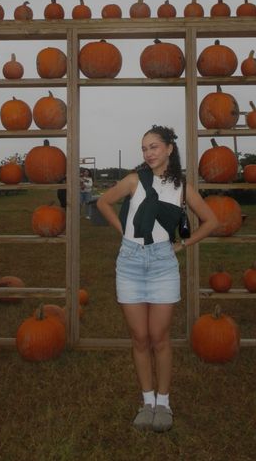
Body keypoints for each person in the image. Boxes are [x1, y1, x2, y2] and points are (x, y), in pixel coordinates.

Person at [96, 125, 218, 433]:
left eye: (154, 147)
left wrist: (183, 244)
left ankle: (164, 402)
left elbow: (211, 220)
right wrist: (123, 231)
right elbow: (102, 202)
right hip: (130, 264)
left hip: (163, 264)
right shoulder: (134, 180)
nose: (148, 153)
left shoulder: (182, 187)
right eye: (144, 148)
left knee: (159, 338)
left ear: (169, 149)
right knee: (140, 338)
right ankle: (146, 401)